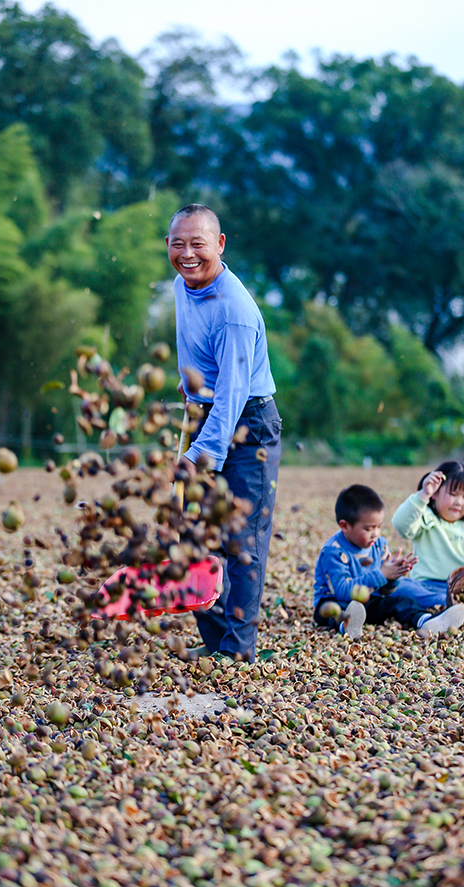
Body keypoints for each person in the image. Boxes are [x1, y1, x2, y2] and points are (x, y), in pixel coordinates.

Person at [166, 204, 282, 663]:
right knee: (192, 535)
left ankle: (237, 653)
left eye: (198, 244)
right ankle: (216, 641)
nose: (188, 254)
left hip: (247, 425)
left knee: (242, 542)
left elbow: (233, 398)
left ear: (220, 244)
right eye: (179, 243)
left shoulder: (235, 309)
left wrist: (197, 457)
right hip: (205, 412)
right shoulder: (183, 283)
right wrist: (189, 377)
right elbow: (196, 346)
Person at [313, 484, 464, 639]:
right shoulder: (333, 551)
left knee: (401, 601)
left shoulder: (379, 544)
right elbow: (342, 591)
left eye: (379, 527)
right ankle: (348, 625)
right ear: (345, 526)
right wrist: (381, 575)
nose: (375, 534)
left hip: (370, 601)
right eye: (368, 529)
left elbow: (386, 591)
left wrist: (393, 578)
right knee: (333, 610)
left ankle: (427, 621)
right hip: (335, 601)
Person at [391, 460, 464, 608]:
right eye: (453, 494)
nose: (459, 502)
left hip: (463, 588)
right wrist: (423, 495)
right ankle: (449, 606)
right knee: (397, 585)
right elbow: (400, 525)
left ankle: (449, 606)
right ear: (435, 494)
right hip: (425, 586)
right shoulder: (425, 518)